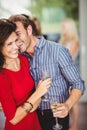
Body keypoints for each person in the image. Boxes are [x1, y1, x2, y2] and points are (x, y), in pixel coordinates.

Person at [9, 14, 85, 130]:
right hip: (30, 116)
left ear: (29, 30)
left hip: (55, 116)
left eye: (18, 34)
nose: (17, 41)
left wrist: (67, 105)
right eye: (13, 37)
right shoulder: (18, 57)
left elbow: (78, 84)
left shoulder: (57, 51)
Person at [0, 19, 51, 130]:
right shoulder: (2, 76)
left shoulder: (24, 60)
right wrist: (38, 94)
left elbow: (33, 95)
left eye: (16, 41)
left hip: (35, 122)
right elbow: (13, 119)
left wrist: (31, 103)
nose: (16, 47)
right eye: (9, 44)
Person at [59, 18, 80, 130]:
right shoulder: (62, 40)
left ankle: (75, 124)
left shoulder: (74, 42)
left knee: (74, 100)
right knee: (66, 99)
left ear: (69, 28)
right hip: (62, 74)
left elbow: (68, 58)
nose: (61, 29)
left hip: (71, 74)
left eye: (63, 27)